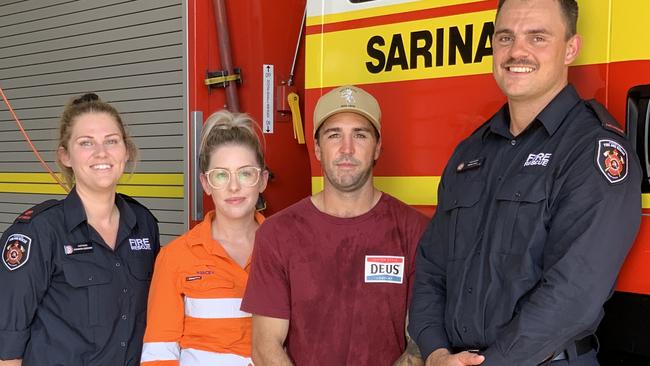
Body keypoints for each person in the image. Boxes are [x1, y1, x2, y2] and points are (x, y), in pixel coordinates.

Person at [408, 0, 641, 365]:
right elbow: (432, 267)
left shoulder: (592, 149)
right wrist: (435, 352)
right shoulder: (470, 152)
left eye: (537, 37)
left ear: (571, 48)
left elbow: (573, 292)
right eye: (505, 37)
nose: (517, 51)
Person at [241, 85, 429, 365]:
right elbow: (266, 346)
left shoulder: (415, 231)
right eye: (334, 135)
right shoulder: (277, 234)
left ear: (378, 147)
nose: (347, 149)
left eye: (360, 135)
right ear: (317, 148)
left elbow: (420, 341)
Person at [0, 93, 160, 366]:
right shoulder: (38, 232)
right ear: (66, 156)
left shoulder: (143, 224)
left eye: (112, 141)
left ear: (126, 150)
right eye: (86, 143)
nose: (102, 153)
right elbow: (7, 346)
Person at [140, 110, 268, 365]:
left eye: (245, 173)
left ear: (262, 180)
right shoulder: (176, 257)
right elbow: (159, 354)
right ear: (206, 184)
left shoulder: (285, 249)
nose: (234, 186)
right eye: (221, 175)